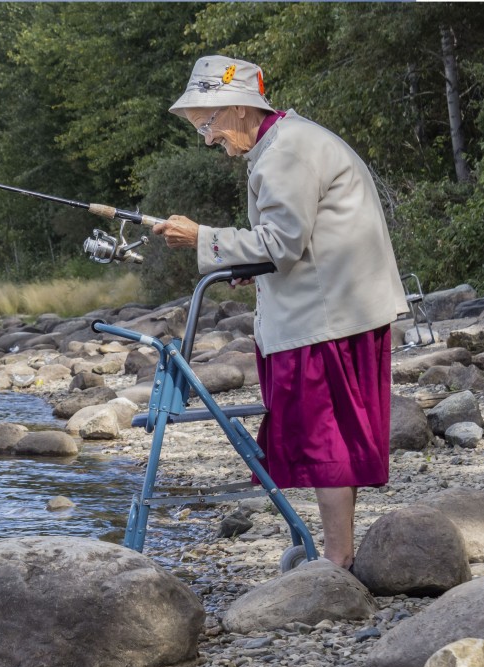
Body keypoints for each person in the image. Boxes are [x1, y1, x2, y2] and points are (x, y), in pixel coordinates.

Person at [152, 56, 409, 570]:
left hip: (327, 317)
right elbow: (298, 240)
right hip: (337, 308)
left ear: (241, 108)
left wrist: (201, 237)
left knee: (324, 436)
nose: (206, 138)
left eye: (207, 122)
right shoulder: (286, 142)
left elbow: (282, 242)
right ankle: (339, 556)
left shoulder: (285, 152)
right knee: (328, 434)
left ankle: (335, 561)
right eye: (200, 125)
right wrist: (251, 264)